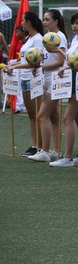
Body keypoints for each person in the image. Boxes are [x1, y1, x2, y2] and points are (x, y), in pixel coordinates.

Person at [51, 12, 78, 167]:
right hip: (73, 77)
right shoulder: (76, 39)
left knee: (67, 118)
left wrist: (70, 66)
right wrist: (59, 53)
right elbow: (72, 58)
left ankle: (68, 157)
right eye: (73, 23)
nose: (75, 26)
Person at [28, 9, 68, 162]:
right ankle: (55, 151)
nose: (44, 22)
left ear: (56, 21)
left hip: (56, 80)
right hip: (46, 80)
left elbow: (59, 61)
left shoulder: (59, 37)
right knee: (54, 117)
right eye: (43, 19)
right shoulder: (47, 38)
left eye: (47, 19)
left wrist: (41, 67)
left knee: (41, 116)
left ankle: (45, 150)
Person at [4, 11, 45, 157]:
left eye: (23, 20)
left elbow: (36, 62)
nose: (21, 23)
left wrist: (15, 67)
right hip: (25, 78)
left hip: (34, 79)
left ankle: (41, 146)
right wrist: (13, 65)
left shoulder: (39, 39)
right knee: (31, 115)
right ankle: (34, 145)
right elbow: (25, 59)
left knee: (38, 113)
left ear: (29, 22)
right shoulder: (29, 39)